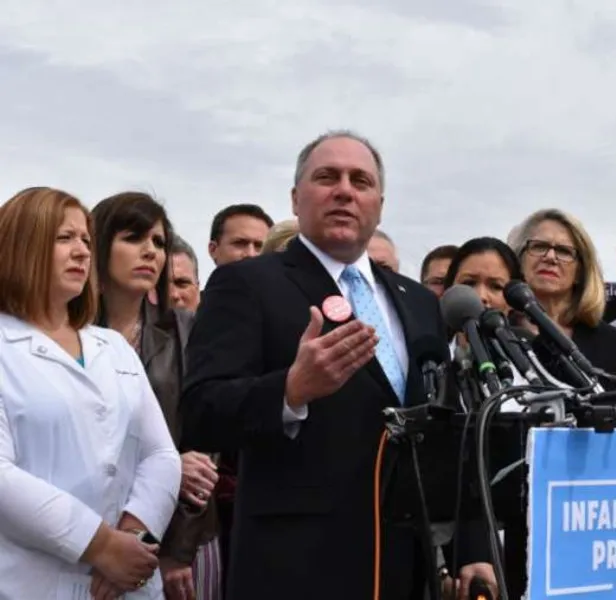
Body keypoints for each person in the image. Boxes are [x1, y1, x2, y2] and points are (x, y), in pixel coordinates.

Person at [181, 130, 495, 599]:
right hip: (295, 566)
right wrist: (290, 391)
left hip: (401, 566)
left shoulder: (417, 302)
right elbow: (201, 413)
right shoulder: (246, 284)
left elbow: (447, 431)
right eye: (327, 177)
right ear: (295, 197)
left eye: (361, 181)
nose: (344, 190)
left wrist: (471, 546)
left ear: (380, 204)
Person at [0, 187, 181, 599]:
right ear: (19, 245)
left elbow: (160, 454)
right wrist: (98, 545)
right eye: (64, 238)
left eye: (85, 239)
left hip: (127, 584)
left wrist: (131, 538)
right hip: (28, 583)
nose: (82, 252)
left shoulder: (111, 346)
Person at [92, 192, 220, 600]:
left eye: (159, 242)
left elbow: (205, 449)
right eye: (133, 237)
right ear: (97, 245)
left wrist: (175, 551)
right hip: (85, 529)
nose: (150, 251)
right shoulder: (61, 329)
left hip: (182, 531)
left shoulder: (188, 329)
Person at [508, 208, 616, 378]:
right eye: (539, 246)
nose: (550, 257)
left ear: (581, 272)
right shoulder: (496, 331)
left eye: (564, 251)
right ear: (519, 259)